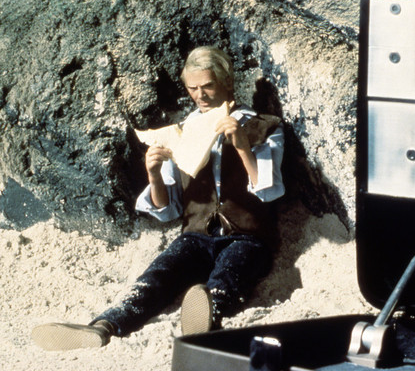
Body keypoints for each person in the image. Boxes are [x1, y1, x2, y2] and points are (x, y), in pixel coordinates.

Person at [31, 46, 285, 351]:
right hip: (196, 236)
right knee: (157, 275)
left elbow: (269, 190)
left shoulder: (265, 126)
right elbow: (168, 210)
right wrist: (153, 173)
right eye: (192, 88)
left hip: (247, 236)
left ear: (227, 82)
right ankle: (104, 326)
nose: (200, 95)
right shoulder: (183, 131)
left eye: (208, 86)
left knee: (229, 275)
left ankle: (207, 318)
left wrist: (243, 146)